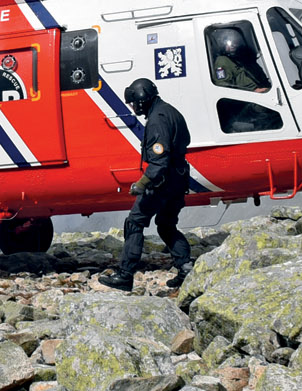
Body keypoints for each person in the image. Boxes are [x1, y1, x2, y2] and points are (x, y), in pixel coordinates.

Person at [99, 77, 194, 291]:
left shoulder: (157, 120)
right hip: (179, 178)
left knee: (135, 222)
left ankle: (125, 275)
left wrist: (142, 184)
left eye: (134, 103)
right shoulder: (170, 111)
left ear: (142, 99)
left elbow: (159, 162)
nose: (133, 108)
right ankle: (186, 267)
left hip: (162, 182)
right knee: (166, 224)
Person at [209, 27, 270, 92]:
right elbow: (222, 86)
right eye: (229, 42)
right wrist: (253, 91)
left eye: (234, 41)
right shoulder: (222, 61)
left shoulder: (246, 58)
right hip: (247, 96)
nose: (232, 45)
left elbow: (263, 78)